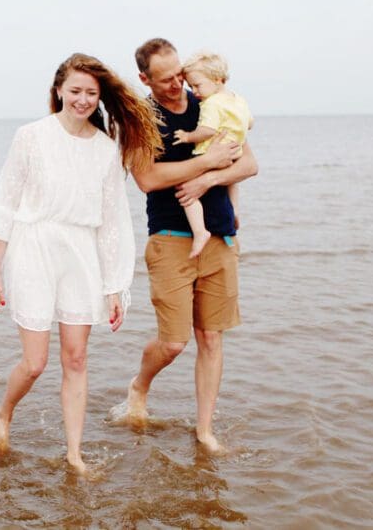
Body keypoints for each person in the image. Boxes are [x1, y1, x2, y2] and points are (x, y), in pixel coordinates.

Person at [0, 53, 162, 474]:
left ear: (99, 99)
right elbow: (5, 203)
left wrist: (114, 284)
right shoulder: (30, 136)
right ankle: (4, 415)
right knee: (35, 364)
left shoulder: (105, 150)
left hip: (81, 254)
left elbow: (113, 221)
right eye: (76, 91)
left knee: (76, 358)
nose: (82, 100)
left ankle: (74, 454)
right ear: (59, 90)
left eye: (91, 94)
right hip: (33, 247)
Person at [124, 38, 258, 452]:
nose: (177, 84)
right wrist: (206, 163)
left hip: (219, 234)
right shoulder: (139, 117)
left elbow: (248, 162)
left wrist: (207, 179)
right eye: (165, 80)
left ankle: (204, 431)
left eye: (180, 74)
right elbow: (147, 178)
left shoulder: (208, 100)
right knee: (173, 343)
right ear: (145, 78)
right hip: (170, 237)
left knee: (211, 338)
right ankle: (139, 385)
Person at [173, 51, 254, 257]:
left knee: (183, 184)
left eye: (197, 85)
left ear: (217, 80)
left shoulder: (211, 103)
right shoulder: (238, 100)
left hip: (211, 152)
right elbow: (250, 123)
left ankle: (200, 232)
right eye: (190, 86)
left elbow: (207, 130)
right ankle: (234, 210)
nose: (194, 91)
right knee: (230, 182)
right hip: (233, 152)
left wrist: (188, 136)